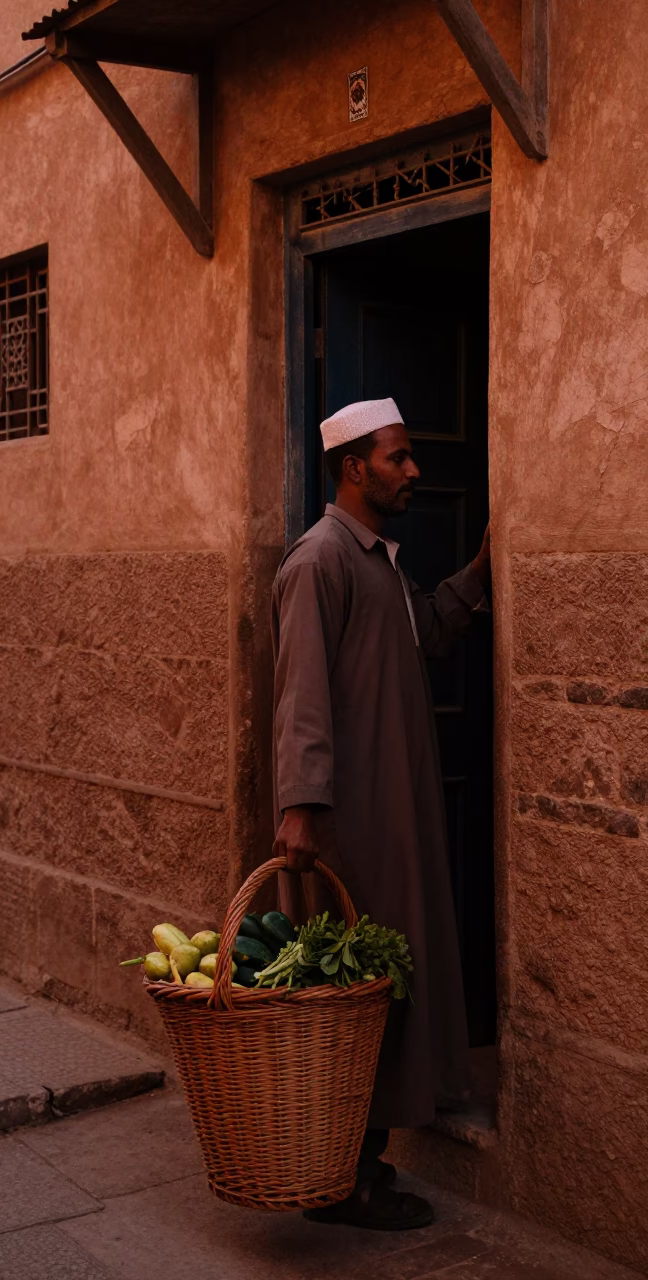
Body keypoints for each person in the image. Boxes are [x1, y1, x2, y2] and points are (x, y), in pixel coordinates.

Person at [271, 397, 491, 1231]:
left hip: (396, 815)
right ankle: (347, 1181)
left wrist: (481, 570)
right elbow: (301, 696)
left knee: (387, 992)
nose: (414, 472)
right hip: (349, 825)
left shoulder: (380, 563)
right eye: (398, 459)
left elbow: (428, 630)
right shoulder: (319, 561)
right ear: (355, 468)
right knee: (354, 999)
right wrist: (301, 807)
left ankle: (360, 1171)